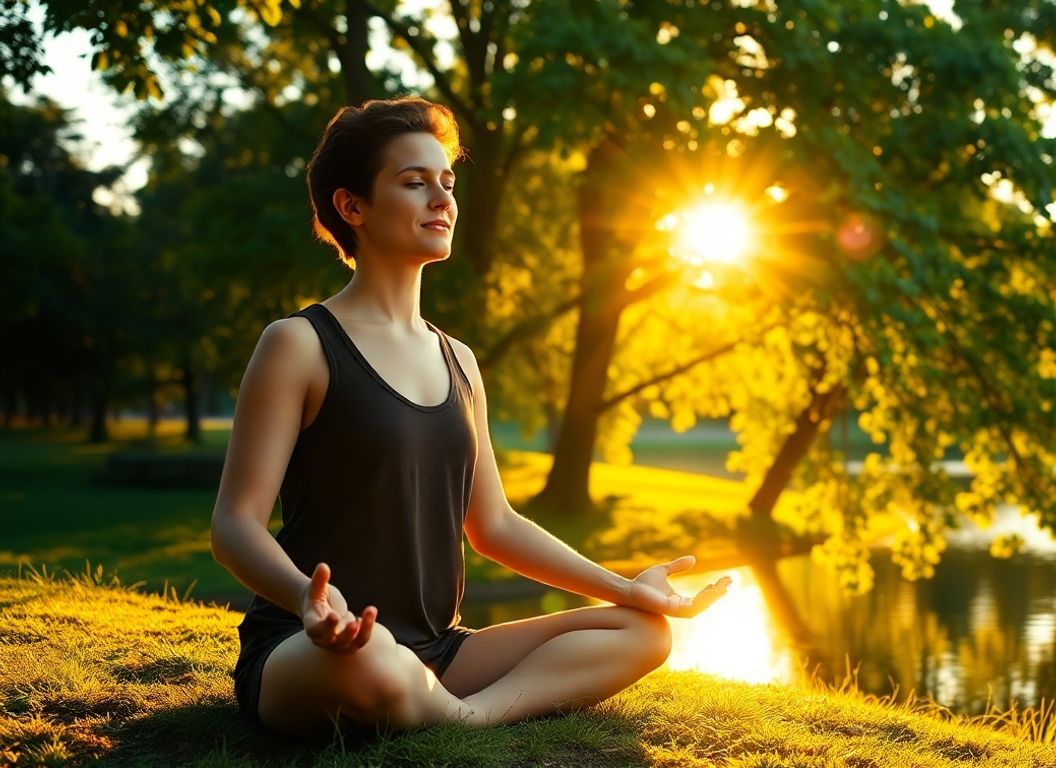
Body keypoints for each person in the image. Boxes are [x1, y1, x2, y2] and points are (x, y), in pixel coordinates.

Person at [209, 95, 732, 740]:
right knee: (379, 663)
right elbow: (234, 525)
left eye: (447, 183)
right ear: (352, 207)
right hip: (319, 649)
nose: (442, 199)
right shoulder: (299, 344)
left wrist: (627, 589)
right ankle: (446, 710)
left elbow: (495, 526)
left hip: (440, 650)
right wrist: (306, 600)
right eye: (413, 182)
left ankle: (463, 716)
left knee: (642, 634)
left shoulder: (459, 360)